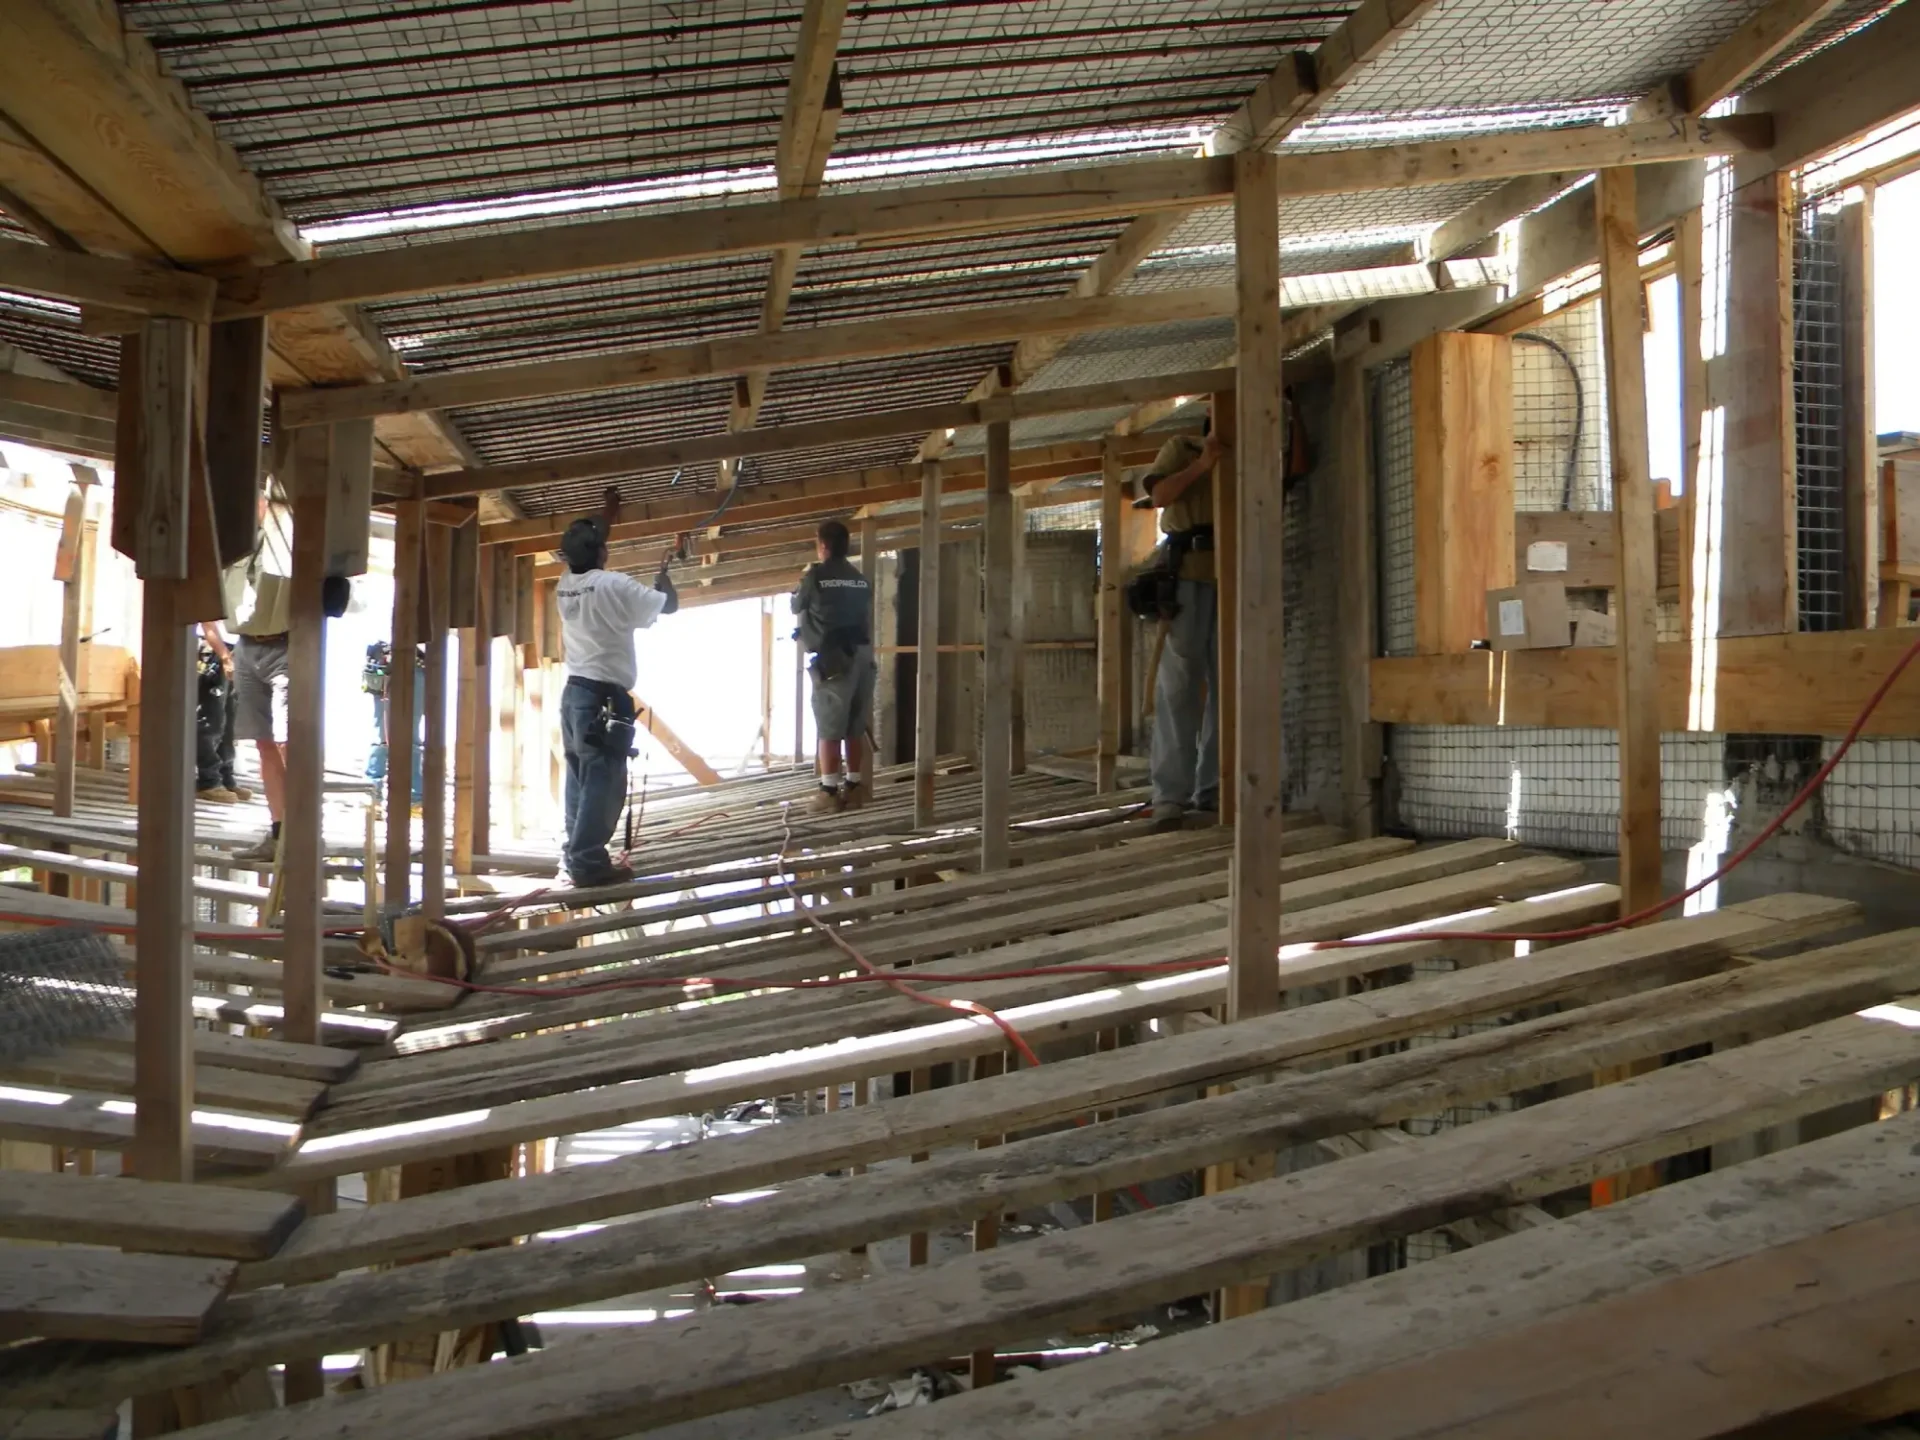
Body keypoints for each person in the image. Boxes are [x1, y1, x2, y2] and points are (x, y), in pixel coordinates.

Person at [554, 486, 678, 887]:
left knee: (579, 776)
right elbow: (668, 604)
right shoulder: (615, 585)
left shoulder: (565, 583)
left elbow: (590, 543)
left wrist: (608, 512)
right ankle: (588, 862)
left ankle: (574, 853)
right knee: (604, 779)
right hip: (605, 698)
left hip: (574, 695)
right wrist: (664, 577)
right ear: (602, 553)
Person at [1135, 416, 1227, 831]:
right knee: (1179, 687)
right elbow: (1158, 496)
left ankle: (1213, 788)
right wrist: (1204, 465)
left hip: (1233, 574)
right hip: (1188, 575)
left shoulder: (1254, 454)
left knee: (1230, 686)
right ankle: (1170, 793)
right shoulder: (1182, 448)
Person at [791, 518, 875, 814]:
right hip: (863, 656)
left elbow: (796, 605)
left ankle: (828, 792)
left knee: (829, 727)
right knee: (855, 724)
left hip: (834, 660)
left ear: (823, 546)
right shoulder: (860, 578)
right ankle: (855, 788)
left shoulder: (815, 576)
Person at [228, 496, 295, 865]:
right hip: (247, 647)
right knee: (265, 743)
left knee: (289, 742)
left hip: (287, 645)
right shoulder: (232, 540)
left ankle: (301, 832)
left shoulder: (288, 538)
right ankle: (279, 831)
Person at [194, 623, 252, 804]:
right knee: (211, 718)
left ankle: (225, 777)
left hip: (233, 648)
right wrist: (224, 655)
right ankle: (208, 780)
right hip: (214, 649)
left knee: (229, 720)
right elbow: (207, 622)